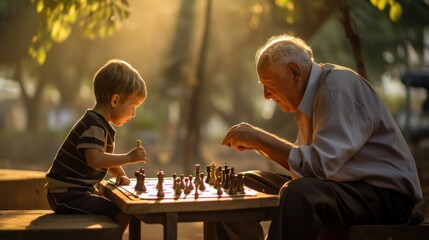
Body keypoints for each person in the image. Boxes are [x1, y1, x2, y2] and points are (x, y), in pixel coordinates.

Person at [220, 34, 423, 239]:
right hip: (343, 187)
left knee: (298, 194)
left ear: (294, 72)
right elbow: (306, 168)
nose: (266, 95)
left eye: (269, 83)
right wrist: (260, 145)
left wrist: (260, 139)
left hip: (385, 197)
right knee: (239, 185)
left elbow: (318, 167)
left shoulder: (337, 88)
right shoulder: (308, 98)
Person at [45, 59, 148, 235]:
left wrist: (120, 173)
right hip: (66, 195)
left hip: (76, 192)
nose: (134, 113)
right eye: (133, 107)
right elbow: (95, 159)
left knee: (115, 205)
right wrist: (129, 158)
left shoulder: (100, 124)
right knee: (122, 212)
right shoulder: (94, 125)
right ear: (115, 100)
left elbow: (105, 157)